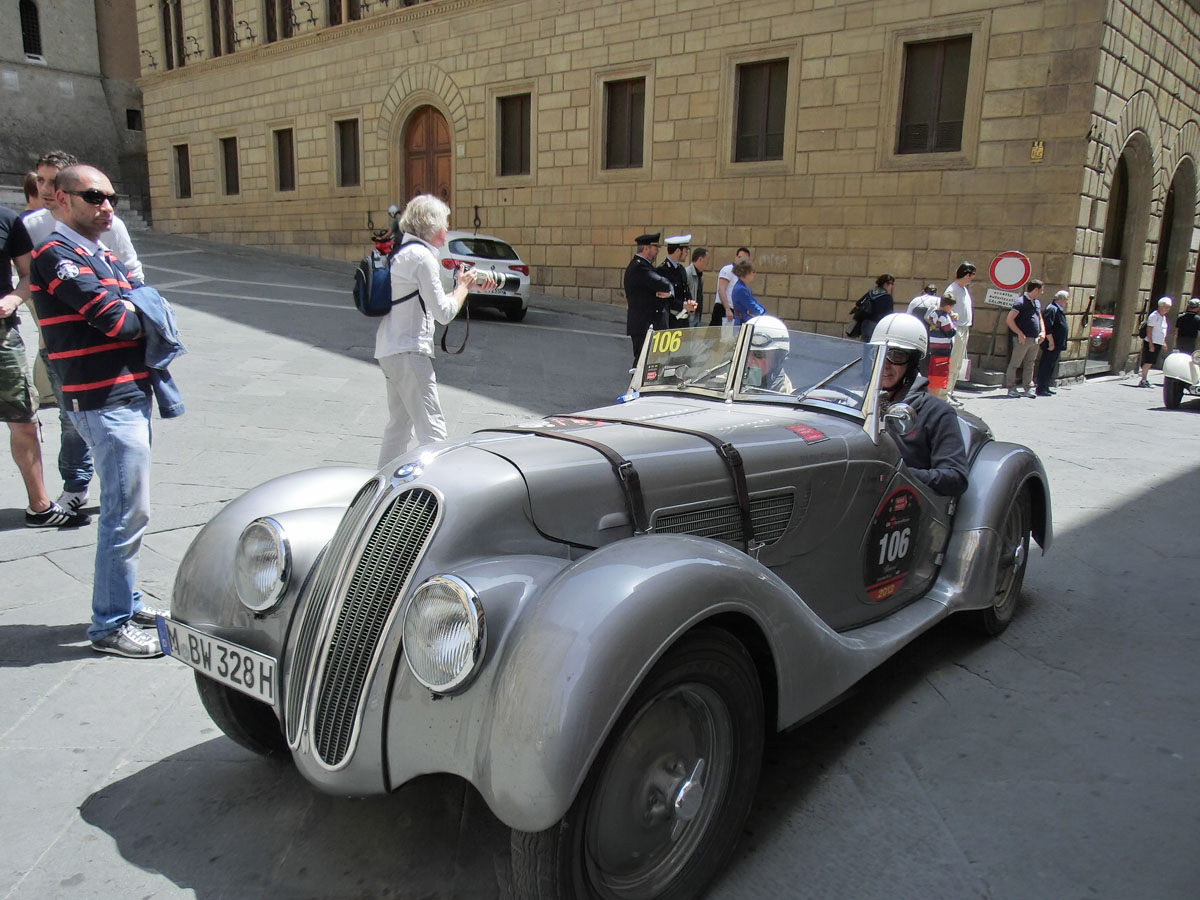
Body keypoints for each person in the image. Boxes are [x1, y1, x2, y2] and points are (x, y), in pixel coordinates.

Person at [30, 164, 166, 657]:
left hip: (125, 392)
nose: (106, 205)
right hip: (102, 398)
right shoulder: (57, 254)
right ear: (62, 200)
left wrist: (135, 302)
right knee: (123, 513)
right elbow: (120, 318)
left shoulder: (98, 252)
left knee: (131, 510)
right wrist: (136, 305)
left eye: (110, 195)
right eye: (93, 196)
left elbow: (135, 298)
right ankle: (109, 625)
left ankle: (125, 602)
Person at [25, 150, 146, 513]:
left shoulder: (108, 233)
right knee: (70, 419)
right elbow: (113, 316)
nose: (44, 188)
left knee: (130, 509)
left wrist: (128, 308)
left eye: (109, 198)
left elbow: (134, 285)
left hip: (121, 371)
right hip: (64, 345)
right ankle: (76, 484)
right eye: (40, 180)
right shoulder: (34, 230)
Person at [376, 195, 495, 464]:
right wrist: (464, 287)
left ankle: (380, 490)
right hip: (409, 351)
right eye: (444, 224)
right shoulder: (421, 257)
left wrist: (464, 286)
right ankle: (439, 491)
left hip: (390, 349)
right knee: (433, 432)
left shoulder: (404, 253)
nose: (447, 230)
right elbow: (444, 313)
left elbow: (432, 299)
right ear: (431, 226)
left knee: (398, 428)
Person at [3, 204, 88, 528]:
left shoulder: (7, 220)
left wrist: (13, 299)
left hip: (2, 336)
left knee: (23, 419)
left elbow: (27, 275)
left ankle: (39, 507)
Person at [873, 313, 968, 497]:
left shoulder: (936, 412)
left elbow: (956, 477)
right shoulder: (855, 403)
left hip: (904, 506)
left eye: (896, 356)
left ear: (913, 363)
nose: (884, 365)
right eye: (879, 355)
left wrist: (897, 473)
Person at [624, 232, 675, 361]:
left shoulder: (645, 266)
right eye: (655, 247)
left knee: (650, 365)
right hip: (643, 324)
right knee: (642, 363)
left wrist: (668, 292)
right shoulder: (639, 267)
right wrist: (669, 290)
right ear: (646, 248)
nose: (658, 251)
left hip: (648, 324)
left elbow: (664, 286)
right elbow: (663, 283)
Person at [943, 261, 977, 407]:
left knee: (957, 364)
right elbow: (945, 306)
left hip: (964, 328)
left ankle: (950, 392)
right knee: (951, 362)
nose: (972, 279)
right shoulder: (953, 289)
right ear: (967, 274)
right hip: (955, 329)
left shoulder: (963, 289)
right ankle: (945, 394)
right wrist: (953, 314)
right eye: (971, 276)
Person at [1005, 279, 1045, 397]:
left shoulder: (1037, 302)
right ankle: (1011, 388)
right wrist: (1019, 333)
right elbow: (1009, 319)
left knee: (1030, 363)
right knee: (1015, 363)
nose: (1042, 292)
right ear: (1036, 289)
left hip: (1035, 339)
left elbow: (1040, 318)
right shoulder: (1020, 302)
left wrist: (1042, 331)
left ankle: (1028, 388)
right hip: (1023, 339)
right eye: (1041, 290)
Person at [741, 315, 792, 393]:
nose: (749, 361)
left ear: (778, 358)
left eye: (759, 354)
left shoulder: (782, 393)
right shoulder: (728, 379)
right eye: (746, 354)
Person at [657, 234, 696, 329]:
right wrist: (683, 305)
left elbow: (685, 290)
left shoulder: (681, 269)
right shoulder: (662, 270)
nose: (687, 253)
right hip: (670, 322)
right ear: (678, 251)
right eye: (686, 250)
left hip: (683, 321)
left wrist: (690, 302)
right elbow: (664, 298)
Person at [1036, 289, 1069, 396]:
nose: (1067, 302)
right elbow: (1048, 327)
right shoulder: (1052, 309)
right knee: (1046, 365)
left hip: (1056, 344)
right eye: (1066, 299)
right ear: (1062, 299)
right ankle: (1041, 388)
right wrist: (1051, 342)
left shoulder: (1058, 309)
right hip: (1051, 344)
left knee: (1050, 365)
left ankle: (1046, 386)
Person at [926, 291, 956, 397]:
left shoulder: (933, 314)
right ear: (948, 306)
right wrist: (953, 321)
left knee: (932, 374)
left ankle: (931, 395)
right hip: (943, 351)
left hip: (933, 349)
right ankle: (935, 398)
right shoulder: (945, 318)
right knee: (939, 376)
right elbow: (951, 332)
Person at [1138, 296, 1172, 387]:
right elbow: (1149, 330)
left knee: (1151, 361)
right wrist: (1150, 344)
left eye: (1169, 307)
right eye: (1166, 307)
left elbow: (1162, 330)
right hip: (1152, 342)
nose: (1168, 309)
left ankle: (1144, 379)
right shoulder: (1154, 316)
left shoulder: (1163, 317)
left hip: (1158, 342)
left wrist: (1163, 342)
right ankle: (1143, 379)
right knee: (1148, 361)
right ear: (1161, 306)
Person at [714, 247, 750, 325]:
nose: (742, 261)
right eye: (740, 257)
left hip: (734, 311)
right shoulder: (728, 269)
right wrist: (727, 309)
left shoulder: (740, 275)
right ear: (736, 257)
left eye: (745, 259)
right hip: (724, 309)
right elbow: (721, 290)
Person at [856, 273, 896, 342]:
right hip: (878, 326)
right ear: (885, 284)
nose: (892, 286)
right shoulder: (887, 297)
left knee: (866, 347)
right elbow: (889, 316)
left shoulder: (871, 292)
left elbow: (858, 304)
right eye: (891, 284)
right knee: (875, 349)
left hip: (865, 324)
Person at [728, 259, 764, 325]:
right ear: (746, 273)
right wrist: (762, 311)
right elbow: (753, 307)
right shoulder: (741, 289)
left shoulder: (741, 287)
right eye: (753, 272)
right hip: (743, 325)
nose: (755, 274)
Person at [684, 247, 708, 327]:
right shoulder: (687, 273)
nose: (707, 264)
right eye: (706, 261)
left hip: (696, 315)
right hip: (688, 316)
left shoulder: (699, 276)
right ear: (700, 259)